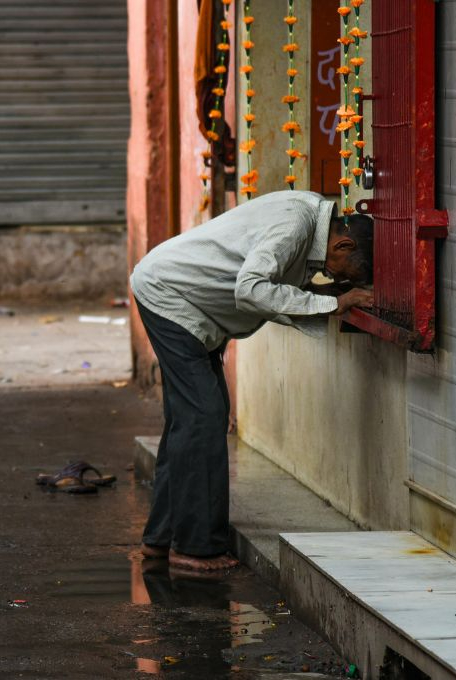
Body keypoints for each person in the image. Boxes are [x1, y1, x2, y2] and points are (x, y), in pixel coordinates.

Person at [130, 190, 374, 571]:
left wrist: (330, 295)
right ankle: (194, 547)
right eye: (341, 270)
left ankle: (159, 539)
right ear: (342, 243)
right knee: (204, 417)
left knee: (190, 420)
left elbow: (278, 287)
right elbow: (252, 289)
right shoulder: (295, 224)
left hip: (184, 300)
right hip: (170, 296)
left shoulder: (309, 222)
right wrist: (335, 302)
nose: (333, 275)